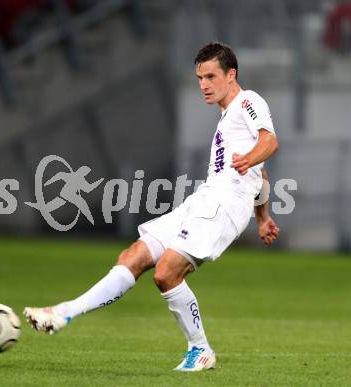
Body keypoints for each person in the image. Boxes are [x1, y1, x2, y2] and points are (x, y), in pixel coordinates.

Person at [24, 41, 280, 372]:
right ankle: (64, 312)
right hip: (203, 200)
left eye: (211, 76)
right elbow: (261, 173)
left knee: (166, 273)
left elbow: (269, 141)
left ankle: (200, 350)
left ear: (231, 74)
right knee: (134, 256)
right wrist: (263, 217)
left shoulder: (248, 100)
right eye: (199, 77)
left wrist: (249, 159)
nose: (203, 84)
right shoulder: (226, 118)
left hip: (224, 205)